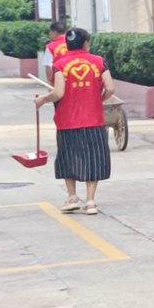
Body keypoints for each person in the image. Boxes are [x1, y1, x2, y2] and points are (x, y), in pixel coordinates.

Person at [51, 26, 115, 215]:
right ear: (86, 43)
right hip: (93, 119)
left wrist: (43, 99)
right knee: (93, 158)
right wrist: (99, 99)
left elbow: (58, 93)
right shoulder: (98, 61)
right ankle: (90, 202)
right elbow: (110, 88)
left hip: (67, 120)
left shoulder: (60, 64)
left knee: (68, 157)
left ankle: (72, 197)